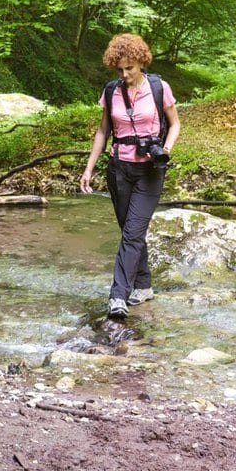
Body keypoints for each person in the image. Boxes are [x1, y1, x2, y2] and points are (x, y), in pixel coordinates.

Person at [79, 33, 181, 319]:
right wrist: (89, 168)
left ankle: (118, 295)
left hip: (150, 171)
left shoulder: (160, 88)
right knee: (130, 232)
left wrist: (166, 149)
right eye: (119, 69)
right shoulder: (111, 91)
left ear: (141, 62)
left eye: (130, 69)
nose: (124, 74)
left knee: (133, 232)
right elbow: (103, 132)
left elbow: (174, 125)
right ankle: (144, 285)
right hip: (118, 170)